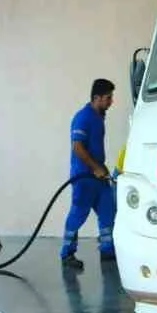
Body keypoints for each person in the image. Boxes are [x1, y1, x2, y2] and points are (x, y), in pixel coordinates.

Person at [60, 78, 118, 270]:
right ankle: (67, 253)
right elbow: (77, 147)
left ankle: (107, 250)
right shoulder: (83, 117)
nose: (111, 102)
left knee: (108, 210)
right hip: (84, 178)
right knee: (78, 214)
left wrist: (102, 168)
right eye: (108, 98)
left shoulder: (98, 117)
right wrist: (95, 167)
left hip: (98, 178)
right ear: (96, 98)